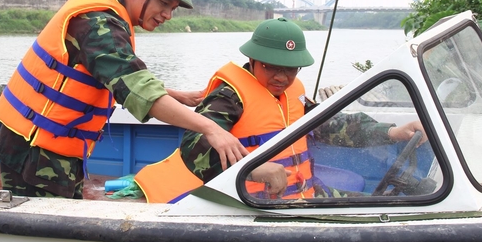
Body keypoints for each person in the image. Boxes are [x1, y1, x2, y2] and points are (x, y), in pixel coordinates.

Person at [0, 0, 248, 198]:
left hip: (54, 150)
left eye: (173, 8)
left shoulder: (109, 20)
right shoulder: (99, 24)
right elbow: (137, 89)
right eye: (164, 4)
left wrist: (174, 95)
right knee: (43, 236)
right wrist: (211, 128)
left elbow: (112, 75)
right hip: (35, 154)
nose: (168, 15)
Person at [134, 17, 425, 202]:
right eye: (271, 68)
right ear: (252, 59)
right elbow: (195, 146)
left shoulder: (293, 93)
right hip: (249, 203)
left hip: (301, 194)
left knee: (370, 206)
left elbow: (326, 124)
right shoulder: (229, 96)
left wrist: (393, 131)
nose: (281, 78)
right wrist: (252, 168)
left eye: (290, 70)